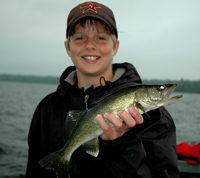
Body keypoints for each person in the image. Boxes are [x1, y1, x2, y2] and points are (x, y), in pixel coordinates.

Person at [26, 1, 179, 178]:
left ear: (116, 46)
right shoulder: (46, 109)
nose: (90, 45)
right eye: (80, 38)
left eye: (101, 37)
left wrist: (122, 144)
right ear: (68, 47)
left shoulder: (156, 117)